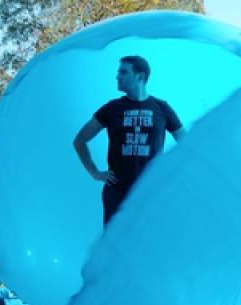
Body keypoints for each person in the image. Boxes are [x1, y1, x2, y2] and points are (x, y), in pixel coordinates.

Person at [73, 55, 186, 225]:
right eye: (119, 72)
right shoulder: (112, 108)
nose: (118, 76)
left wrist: (171, 174)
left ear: (140, 77)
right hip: (117, 193)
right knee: (114, 247)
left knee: (147, 244)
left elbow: (187, 143)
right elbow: (80, 140)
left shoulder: (162, 108)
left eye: (123, 72)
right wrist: (94, 172)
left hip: (151, 193)